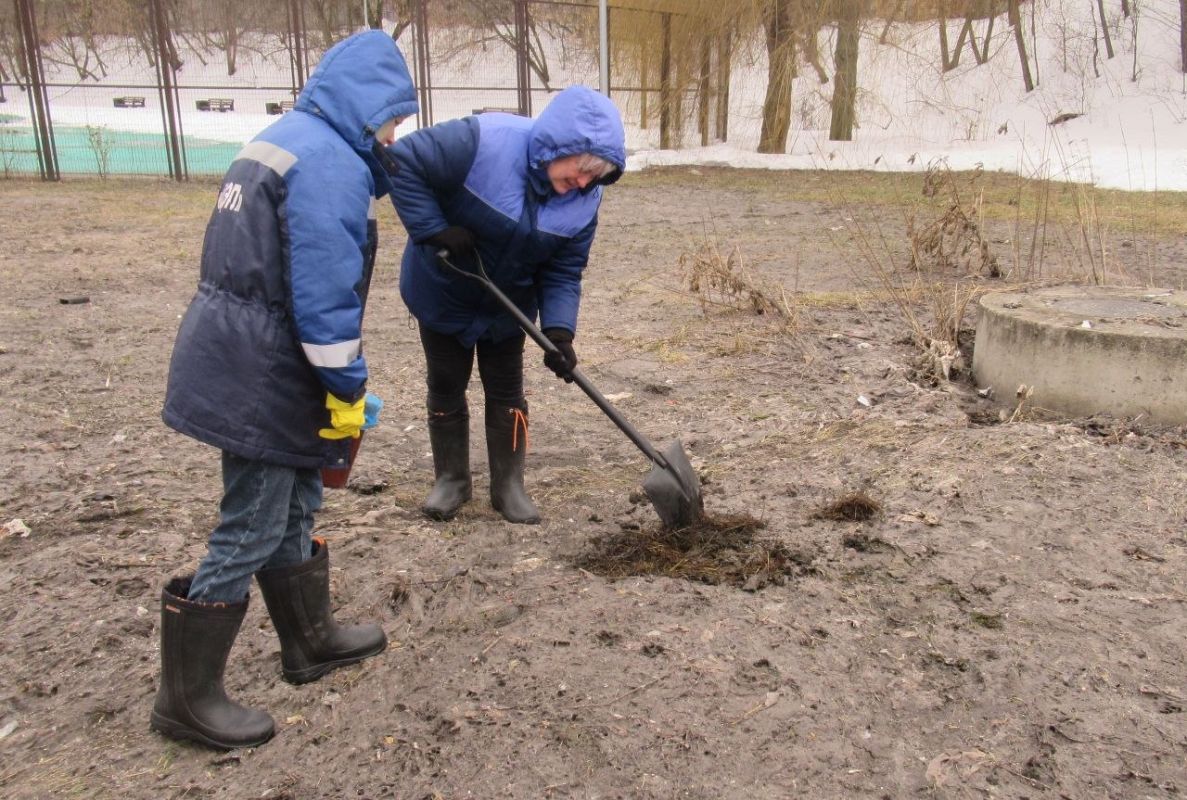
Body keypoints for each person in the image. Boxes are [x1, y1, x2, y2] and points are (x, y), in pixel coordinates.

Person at [152, 30, 417, 751]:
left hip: (256, 357)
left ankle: (310, 639)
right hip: (264, 371)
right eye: (394, 117)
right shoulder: (330, 162)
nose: (395, 133)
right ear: (369, 106)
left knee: (298, 497)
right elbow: (324, 291)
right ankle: (187, 698)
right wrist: (348, 386)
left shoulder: (285, 137)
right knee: (252, 522)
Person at [387, 86, 626, 525]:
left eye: (595, 176)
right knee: (446, 381)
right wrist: (434, 229)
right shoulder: (483, 141)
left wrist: (558, 331)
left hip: (508, 305)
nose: (583, 183)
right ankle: (452, 481)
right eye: (580, 169)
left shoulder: (584, 202)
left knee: (506, 388)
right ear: (559, 146)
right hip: (445, 286)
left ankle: (508, 486)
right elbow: (400, 161)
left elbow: (563, 271)